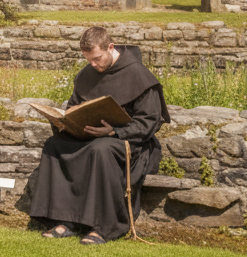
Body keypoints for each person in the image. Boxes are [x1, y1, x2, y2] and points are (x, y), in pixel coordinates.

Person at [29, 26, 170, 245]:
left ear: (110, 47)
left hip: (129, 142)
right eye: (89, 60)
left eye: (97, 59)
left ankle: (103, 227)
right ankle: (65, 220)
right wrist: (66, 123)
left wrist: (114, 131)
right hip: (90, 136)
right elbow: (74, 107)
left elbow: (149, 122)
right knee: (54, 144)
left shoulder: (138, 74)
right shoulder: (87, 74)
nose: (93, 65)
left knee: (100, 149)